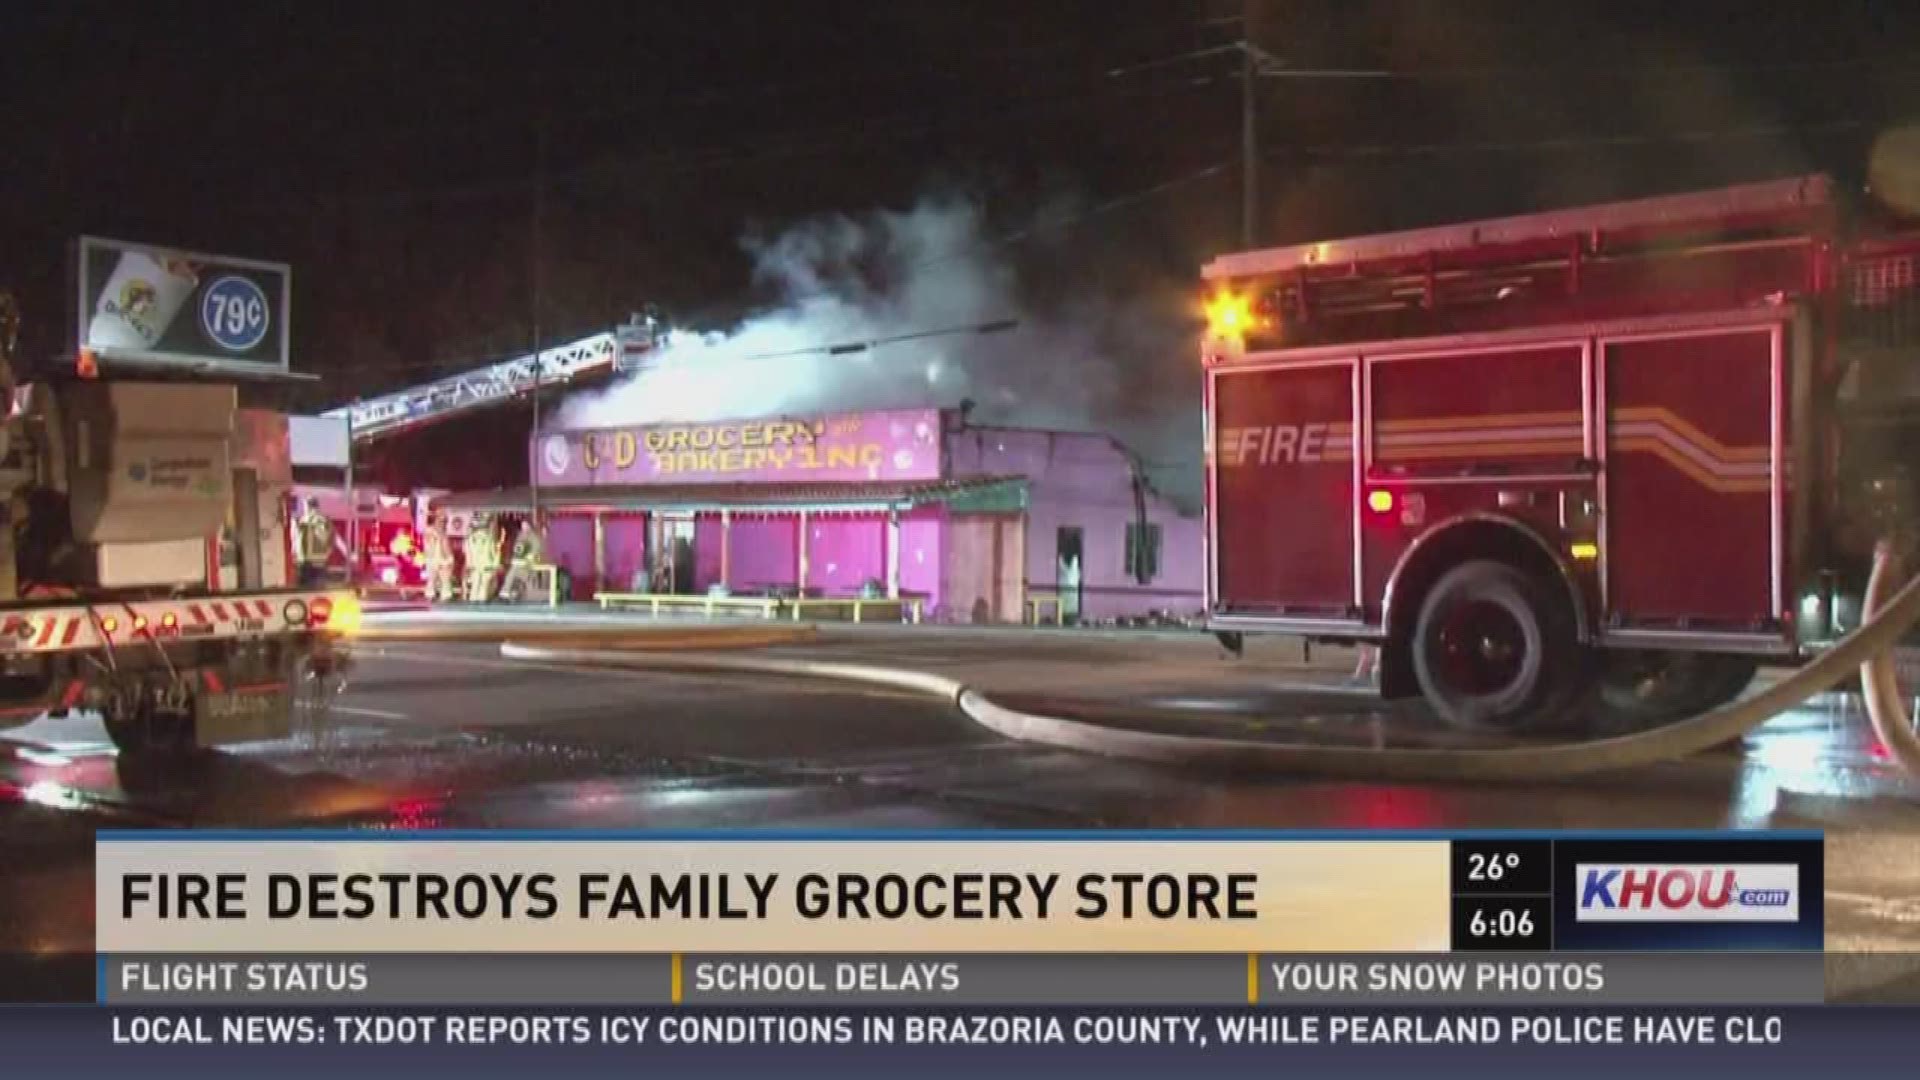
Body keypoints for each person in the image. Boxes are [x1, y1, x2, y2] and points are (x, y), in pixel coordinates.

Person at [503, 512, 548, 603]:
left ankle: (507, 590)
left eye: (526, 525)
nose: (524, 527)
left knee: (515, 573)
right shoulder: (520, 535)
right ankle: (507, 590)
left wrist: (530, 556)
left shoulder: (532, 535)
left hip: (527, 561)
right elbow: (517, 547)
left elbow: (536, 547)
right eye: (523, 525)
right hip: (520, 560)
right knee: (513, 573)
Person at [296, 497, 335, 588]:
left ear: (308, 505)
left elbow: (300, 540)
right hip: (321, 560)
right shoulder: (325, 519)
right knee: (319, 588)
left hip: (306, 560)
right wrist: (327, 553)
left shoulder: (305, 519)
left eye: (304, 505)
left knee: (305, 590)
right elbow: (332, 539)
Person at [463, 513, 500, 603]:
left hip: (474, 564)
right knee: (484, 584)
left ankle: (473, 600)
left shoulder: (469, 539)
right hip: (487, 564)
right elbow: (493, 552)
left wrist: (468, 565)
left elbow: (467, 552)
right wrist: (496, 565)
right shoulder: (489, 537)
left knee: (475, 583)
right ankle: (481, 601)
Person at [422, 510, 455, 603]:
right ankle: (431, 595)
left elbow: (445, 545)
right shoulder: (430, 530)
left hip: (442, 558)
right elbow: (430, 545)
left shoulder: (442, 531)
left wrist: (449, 557)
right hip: (434, 558)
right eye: (441, 519)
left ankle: (444, 596)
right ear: (435, 519)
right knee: (432, 578)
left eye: (444, 520)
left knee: (445, 579)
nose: (443, 522)